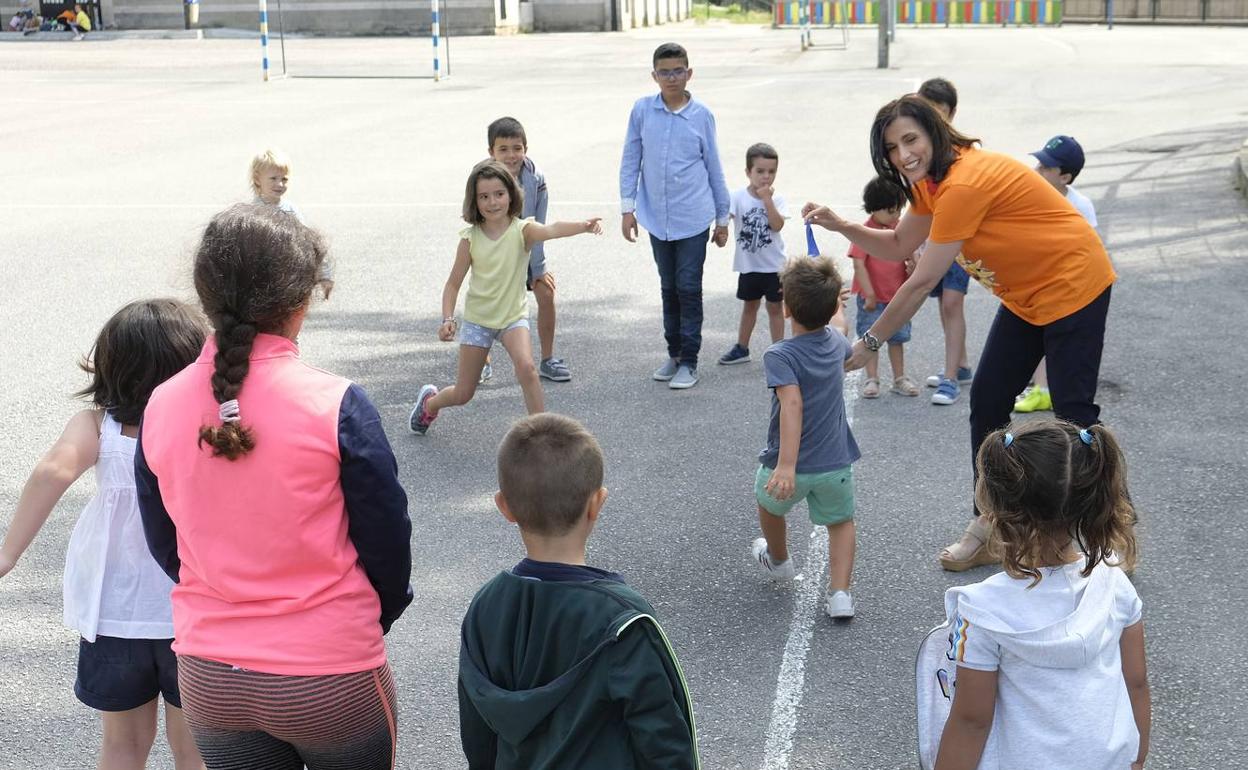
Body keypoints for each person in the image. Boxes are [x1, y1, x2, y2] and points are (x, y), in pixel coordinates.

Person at [136, 204, 413, 768]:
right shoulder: (336, 403)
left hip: (212, 675)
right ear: (301, 301)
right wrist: (367, 617)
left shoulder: (160, 404)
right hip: (330, 671)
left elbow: (165, 542)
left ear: (206, 295)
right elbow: (387, 539)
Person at [802, 94, 1115, 572]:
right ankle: (991, 524)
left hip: (1074, 284)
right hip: (1026, 295)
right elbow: (900, 243)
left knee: (1074, 416)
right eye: (891, 148)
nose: (903, 154)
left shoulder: (963, 182)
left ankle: (1102, 534)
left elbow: (921, 280)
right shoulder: (930, 182)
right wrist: (842, 225)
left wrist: (869, 343)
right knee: (987, 401)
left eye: (910, 139)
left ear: (933, 131)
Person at [0, 299, 206, 770]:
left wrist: (7, 554)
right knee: (193, 748)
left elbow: (52, 471)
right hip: (194, 612)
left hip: (114, 613)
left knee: (122, 746)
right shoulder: (201, 426)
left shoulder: (98, 426)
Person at [458, 413, 699, 769]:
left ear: (504, 506)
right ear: (596, 503)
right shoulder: (624, 621)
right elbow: (665, 741)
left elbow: (477, 728)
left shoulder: (486, 606)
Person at [931, 420, 1149, 770]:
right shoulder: (1113, 582)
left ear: (995, 509)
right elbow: (1135, 683)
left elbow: (972, 721)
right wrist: (1136, 761)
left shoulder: (981, 609)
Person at [409, 160, 602, 435]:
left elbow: (552, 229)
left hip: (512, 318)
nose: (492, 202)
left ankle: (542, 435)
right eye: (484, 196)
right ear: (474, 201)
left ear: (511, 194)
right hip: (478, 320)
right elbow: (452, 285)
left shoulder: (523, 230)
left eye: (499, 194)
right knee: (464, 393)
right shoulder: (470, 238)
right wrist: (447, 319)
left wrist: (583, 226)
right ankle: (430, 403)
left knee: (528, 369)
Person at [750, 257, 862, 619]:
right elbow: (840, 326)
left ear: (786, 308)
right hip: (835, 463)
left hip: (790, 466)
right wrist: (837, 306)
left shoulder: (780, 355)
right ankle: (840, 594)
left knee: (768, 505)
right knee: (840, 522)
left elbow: (792, 403)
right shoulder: (836, 341)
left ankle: (779, 558)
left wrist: (786, 464)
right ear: (830, 308)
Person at [619, 41, 731, 390]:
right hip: (657, 218)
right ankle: (674, 354)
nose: (671, 78)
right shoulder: (642, 110)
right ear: (654, 75)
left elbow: (714, 166)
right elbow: (631, 159)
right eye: (664, 72)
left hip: (693, 218)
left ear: (689, 73)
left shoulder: (701, 116)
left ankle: (690, 362)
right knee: (668, 288)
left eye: (678, 71)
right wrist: (627, 208)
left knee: (688, 288)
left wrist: (722, 219)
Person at [1016, 134, 1099, 414]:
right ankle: (1041, 389)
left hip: (1068, 287)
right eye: (1038, 164)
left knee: (1060, 344)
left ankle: (1048, 392)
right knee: (1036, 338)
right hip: (1035, 281)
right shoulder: (1029, 197)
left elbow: (1090, 248)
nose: (1036, 170)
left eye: (1045, 167)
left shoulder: (1080, 205)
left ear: (1065, 177)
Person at [486, 116, 571, 384]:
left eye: (517, 148)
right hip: (495, 254)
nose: (511, 155)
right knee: (488, 304)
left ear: (525, 148)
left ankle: (547, 359)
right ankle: (481, 360)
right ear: (491, 152)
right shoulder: (483, 179)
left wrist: (538, 268)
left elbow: (539, 225)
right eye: (503, 149)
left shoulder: (535, 178)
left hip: (526, 248)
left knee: (546, 292)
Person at [916, 78, 974, 406]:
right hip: (934, 240)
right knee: (943, 303)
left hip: (958, 243)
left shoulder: (957, 152)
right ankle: (960, 365)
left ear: (950, 112)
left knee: (952, 303)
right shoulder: (923, 151)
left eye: (937, 110)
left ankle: (951, 378)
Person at [718, 142, 788, 365]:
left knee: (775, 308)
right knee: (749, 306)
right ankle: (742, 347)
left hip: (774, 267)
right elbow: (725, 218)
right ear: (748, 172)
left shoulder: (778, 199)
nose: (766, 177)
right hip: (749, 266)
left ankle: (779, 351)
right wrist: (720, 231)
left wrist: (767, 199)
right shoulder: (737, 196)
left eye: (771, 172)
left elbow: (777, 225)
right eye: (760, 171)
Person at [849, 176, 919, 398]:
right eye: (891, 211)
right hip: (872, 298)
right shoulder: (865, 231)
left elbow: (912, 256)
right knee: (871, 338)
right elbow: (858, 263)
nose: (897, 215)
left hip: (897, 297)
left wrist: (913, 267)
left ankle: (899, 377)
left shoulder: (899, 229)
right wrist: (869, 293)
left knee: (897, 338)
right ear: (874, 208)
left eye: (899, 210)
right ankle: (872, 378)